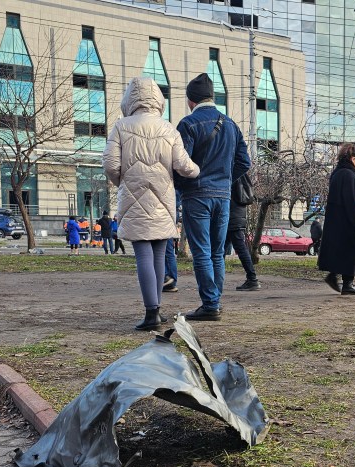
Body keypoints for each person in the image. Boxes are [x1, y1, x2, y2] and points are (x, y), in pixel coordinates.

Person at [104, 76, 200, 330]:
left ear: (130, 100)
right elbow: (183, 165)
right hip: (163, 199)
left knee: (143, 254)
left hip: (133, 197)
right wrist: (198, 171)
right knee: (159, 253)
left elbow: (111, 165)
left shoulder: (121, 126)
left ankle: (151, 313)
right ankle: (156, 309)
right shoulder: (169, 129)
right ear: (158, 100)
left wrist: (122, 181)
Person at [174, 72, 251, 321]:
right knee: (217, 252)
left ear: (190, 100)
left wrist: (183, 186)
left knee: (202, 252)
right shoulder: (231, 124)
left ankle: (210, 304)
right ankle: (213, 301)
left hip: (197, 195)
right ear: (211, 97)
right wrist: (226, 179)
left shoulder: (187, 124)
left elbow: (180, 163)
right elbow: (244, 162)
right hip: (223, 196)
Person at [318, 143, 355, 295]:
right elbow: (351, 201)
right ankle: (347, 284)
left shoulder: (337, 173)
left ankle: (337, 277)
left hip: (336, 220)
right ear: (353, 158)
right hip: (347, 221)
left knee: (341, 252)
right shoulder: (348, 174)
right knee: (352, 250)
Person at [226, 181, 260, 291]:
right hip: (237, 217)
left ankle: (252, 279)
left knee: (238, 249)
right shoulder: (241, 178)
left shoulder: (232, 175)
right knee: (222, 250)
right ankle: (252, 279)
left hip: (231, 217)